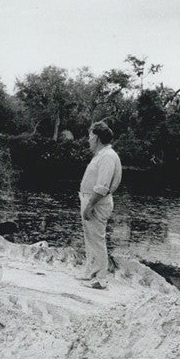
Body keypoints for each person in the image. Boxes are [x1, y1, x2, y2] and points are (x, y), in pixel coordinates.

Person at [76, 121, 122, 289]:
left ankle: (101, 278)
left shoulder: (108, 156)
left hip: (97, 203)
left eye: (90, 136)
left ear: (96, 137)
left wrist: (89, 205)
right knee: (90, 238)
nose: (88, 140)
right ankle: (91, 271)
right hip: (92, 201)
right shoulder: (102, 155)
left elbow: (103, 186)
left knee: (97, 239)